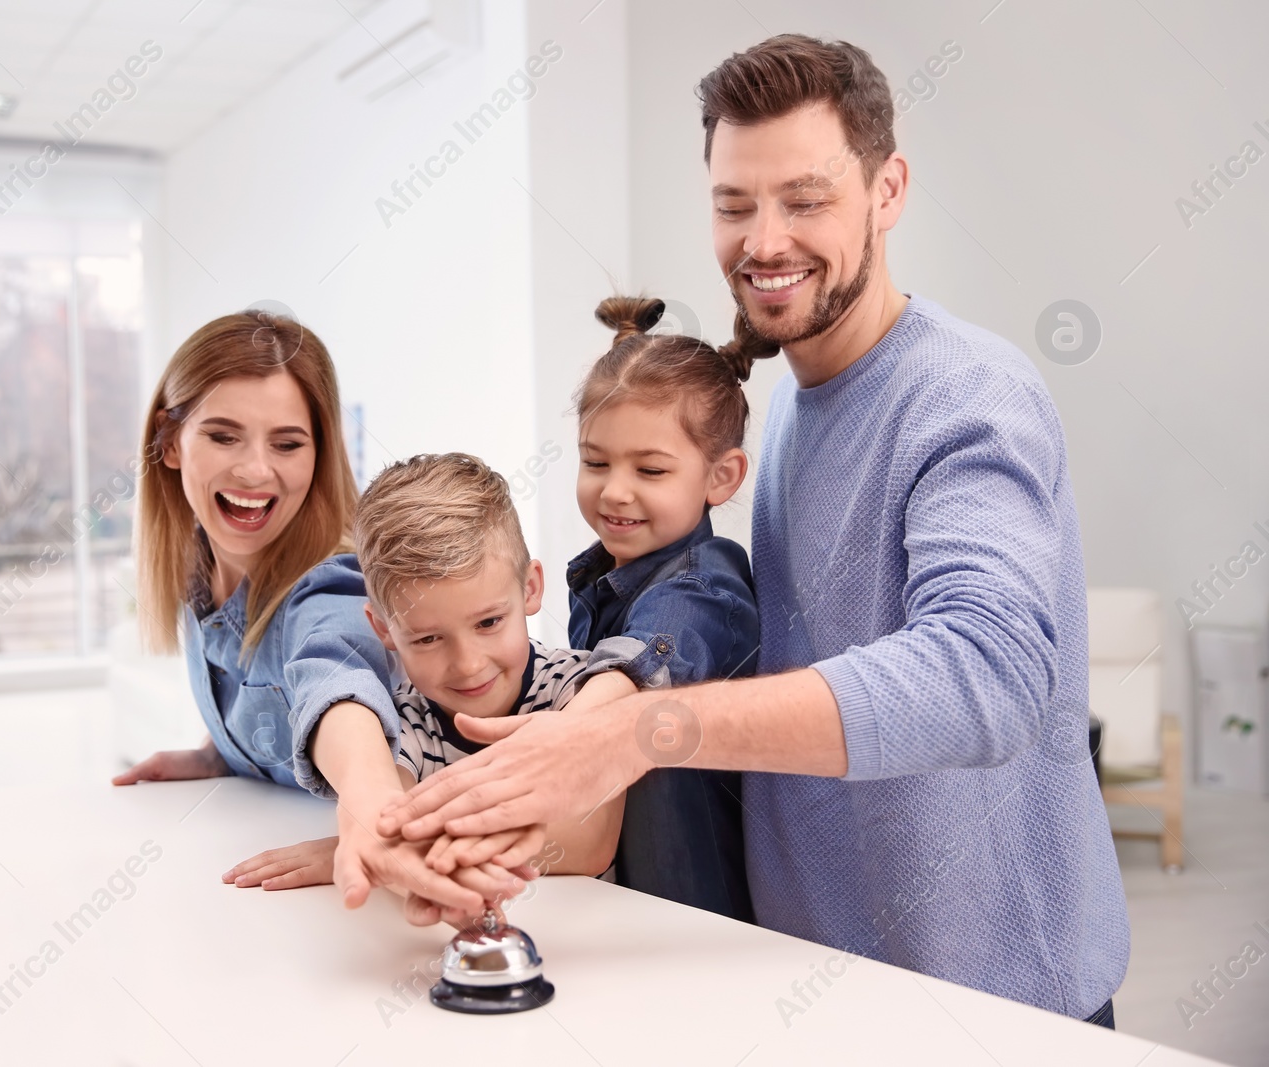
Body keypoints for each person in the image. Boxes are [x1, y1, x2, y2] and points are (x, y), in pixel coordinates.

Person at [375, 34, 1129, 1028]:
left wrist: (635, 727)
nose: (763, 240)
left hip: (991, 1002)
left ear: (886, 189)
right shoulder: (787, 419)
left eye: (805, 199)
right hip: (816, 980)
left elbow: (988, 674)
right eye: (734, 205)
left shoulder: (967, 395)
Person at [112, 309, 520, 917]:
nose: (255, 470)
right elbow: (264, 682)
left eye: (288, 443)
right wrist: (220, 749)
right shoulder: (202, 567)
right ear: (170, 443)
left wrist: (372, 812)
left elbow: (338, 682)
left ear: (319, 454)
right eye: (224, 436)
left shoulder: (330, 584)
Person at [223, 453, 625, 926]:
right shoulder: (406, 723)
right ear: (384, 629)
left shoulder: (578, 690)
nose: (468, 664)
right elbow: (393, 820)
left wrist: (376, 848)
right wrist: (380, 846)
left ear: (531, 588)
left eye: (489, 622)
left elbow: (588, 838)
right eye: (428, 638)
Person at [562, 295, 761, 920]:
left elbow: (652, 653)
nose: (614, 490)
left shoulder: (708, 583)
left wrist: (561, 737)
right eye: (595, 462)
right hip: (618, 901)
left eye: (650, 470)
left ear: (720, 478)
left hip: (693, 914)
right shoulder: (598, 577)